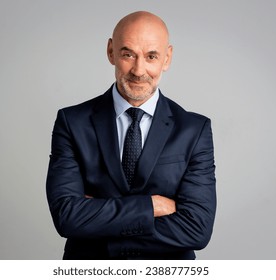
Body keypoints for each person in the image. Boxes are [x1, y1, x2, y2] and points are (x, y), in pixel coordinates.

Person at [46, 11, 216, 260]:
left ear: (166, 58)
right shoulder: (72, 122)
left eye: (151, 56)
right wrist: (152, 206)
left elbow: (197, 230)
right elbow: (67, 217)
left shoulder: (194, 129)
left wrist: (99, 217)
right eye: (128, 54)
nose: (139, 70)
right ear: (111, 52)